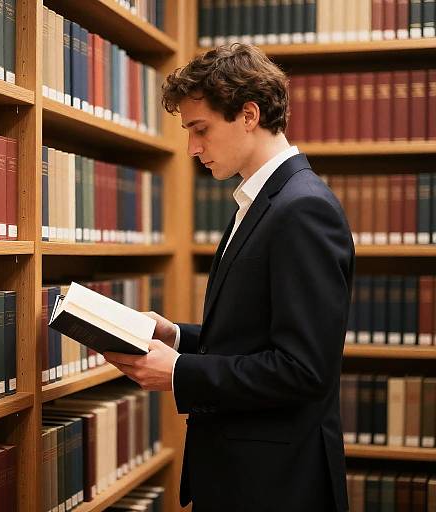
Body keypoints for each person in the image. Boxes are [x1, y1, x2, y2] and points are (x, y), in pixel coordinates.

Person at [104, 43, 354, 512]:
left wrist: (179, 372)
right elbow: (257, 336)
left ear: (248, 114)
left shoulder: (302, 210)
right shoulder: (261, 200)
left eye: (200, 129)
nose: (192, 148)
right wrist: (177, 337)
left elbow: (303, 370)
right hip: (245, 477)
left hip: (277, 488)